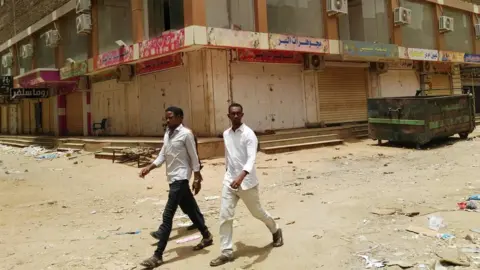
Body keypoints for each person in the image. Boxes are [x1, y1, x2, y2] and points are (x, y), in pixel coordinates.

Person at [210, 103, 284, 267]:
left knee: (257, 212)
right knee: (225, 216)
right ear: (228, 116)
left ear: (242, 115)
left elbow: (251, 158)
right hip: (229, 181)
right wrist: (229, 173)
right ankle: (226, 252)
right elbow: (228, 156)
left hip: (247, 183)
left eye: (238, 114)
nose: (236, 116)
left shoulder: (249, 134)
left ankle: (275, 229)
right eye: (232, 114)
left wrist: (241, 177)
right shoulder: (226, 134)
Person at [139, 106, 213, 268]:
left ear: (180, 118)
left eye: (170, 117)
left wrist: (197, 177)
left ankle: (157, 255)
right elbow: (162, 155)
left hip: (181, 178)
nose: (167, 120)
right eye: (166, 118)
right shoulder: (167, 133)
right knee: (191, 209)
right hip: (172, 178)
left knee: (168, 215)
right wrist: (149, 168)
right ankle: (206, 236)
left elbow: (194, 157)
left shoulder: (186, 134)